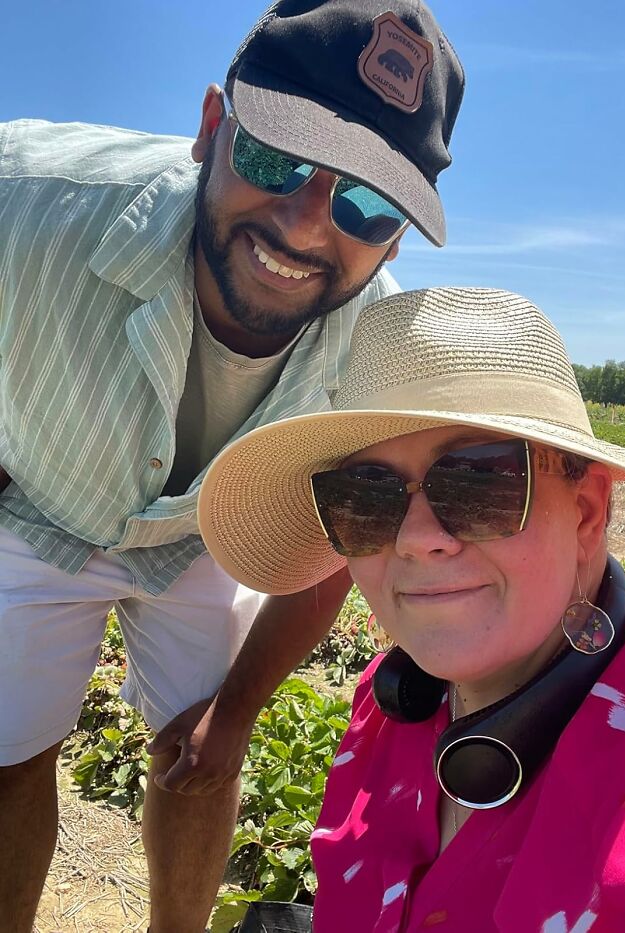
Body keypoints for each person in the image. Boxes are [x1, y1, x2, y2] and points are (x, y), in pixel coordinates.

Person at [0, 0, 465, 928]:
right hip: (41, 499)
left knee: (201, 762)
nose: (305, 223)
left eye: (368, 203)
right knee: (8, 758)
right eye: (274, 158)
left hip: (215, 532)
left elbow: (327, 555)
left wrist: (238, 712)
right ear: (212, 128)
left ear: (399, 236)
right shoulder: (25, 199)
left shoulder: (378, 349)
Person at [199, 287, 625, 932]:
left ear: (586, 512)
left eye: (477, 480)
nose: (414, 537)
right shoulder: (387, 704)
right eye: (365, 495)